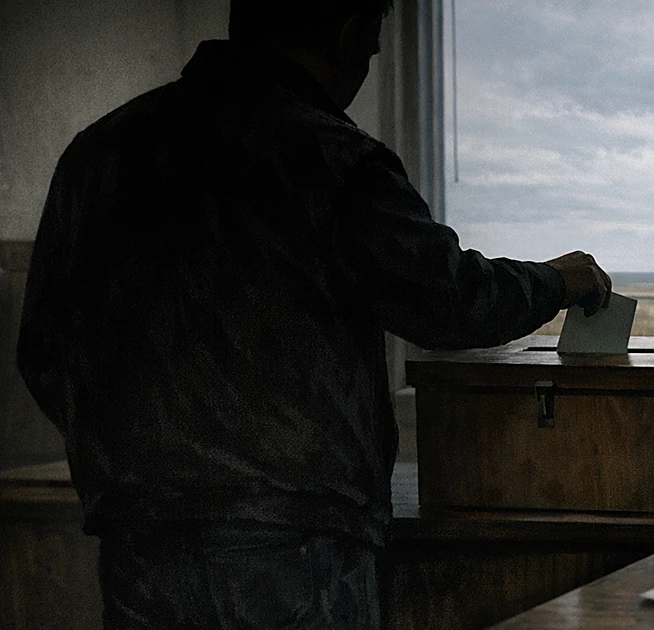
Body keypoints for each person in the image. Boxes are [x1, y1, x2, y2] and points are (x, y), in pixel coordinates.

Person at [16, 0, 611, 627]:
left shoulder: (98, 154)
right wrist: (557, 281)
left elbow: (44, 353)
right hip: (296, 540)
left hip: (140, 539)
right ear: (350, 31)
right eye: (376, 32)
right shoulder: (334, 160)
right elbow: (450, 301)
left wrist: (129, 455)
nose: (377, 53)